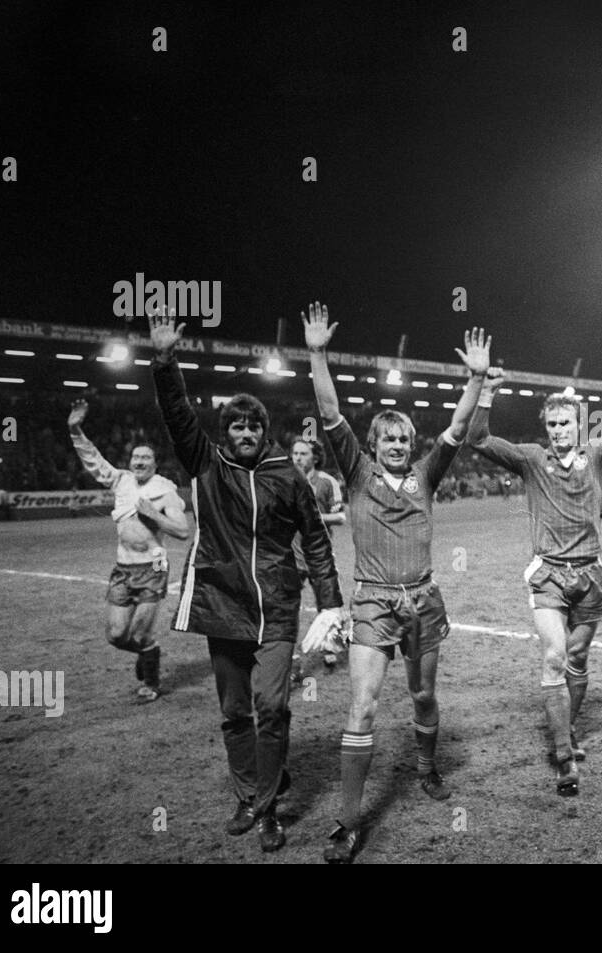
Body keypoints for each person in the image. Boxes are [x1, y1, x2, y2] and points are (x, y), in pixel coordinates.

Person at [148, 309, 344, 854]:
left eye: (254, 426)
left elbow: (317, 542)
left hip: (277, 609)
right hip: (220, 605)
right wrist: (165, 361)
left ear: (266, 431)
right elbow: (177, 417)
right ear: (225, 433)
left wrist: (330, 606)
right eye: (237, 426)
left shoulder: (288, 475)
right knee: (235, 713)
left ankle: (266, 811)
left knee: (273, 707)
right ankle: (250, 792)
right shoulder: (206, 466)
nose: (246, 434)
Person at [300, 303, 489, 863]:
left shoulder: (427, 475)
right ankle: (349, 820)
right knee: (361, 707)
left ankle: (427, 766)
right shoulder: (356, 474)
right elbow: (329, 411)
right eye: (388, 440)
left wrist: (476, 378)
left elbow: (457, 429)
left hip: (424, 601)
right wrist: (316, 354)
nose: (398, 447)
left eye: (404, 439)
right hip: (374, 604)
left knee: (424, 694)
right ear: (374, 444)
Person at [467, 349, 602, 796]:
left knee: (578, 658)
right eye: (551, 425)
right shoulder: (532, 459)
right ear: (545, 429)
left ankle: (568, 731)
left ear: (579, 424)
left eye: (565, 423)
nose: (558, 431)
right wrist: (488, 390)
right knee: (554, 656)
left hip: (590, 574)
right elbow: (477, 438)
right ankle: (565, 755)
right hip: (549, 573)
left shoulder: (600, 454)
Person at [68, 400, 189, 701]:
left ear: (155, 463)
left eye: (145, 458)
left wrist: (154, 515)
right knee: (116, 635)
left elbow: (183, 531)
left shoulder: (166, 490)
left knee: (138, 633)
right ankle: (150, 653)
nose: (139, 462)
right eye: (135, 457)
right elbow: (93, 460)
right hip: (123, 568)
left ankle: (151, 680)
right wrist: (75, 429)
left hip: (154, 566)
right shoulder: (121, 480)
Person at [290, 438, 347, 681]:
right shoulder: (285, 480)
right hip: (291, 554)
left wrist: (310, 516)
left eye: (303, 453)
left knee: (328, 604)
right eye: (294, 453)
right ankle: (291, 659)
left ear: (315, 457)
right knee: (287, 608)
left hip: (320, 554)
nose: (298, 458)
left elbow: (340, 517)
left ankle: (329, 648)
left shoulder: (327, 482)